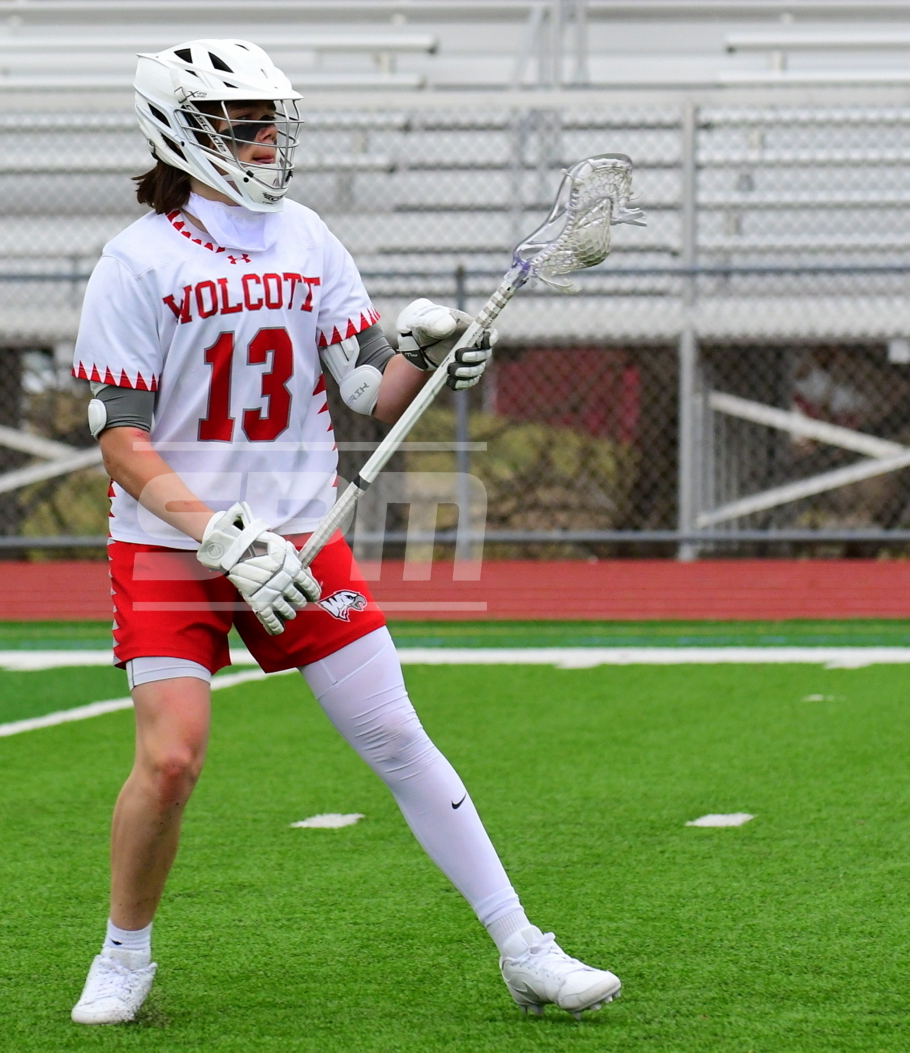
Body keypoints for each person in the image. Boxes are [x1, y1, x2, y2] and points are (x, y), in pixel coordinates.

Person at [69, 38, 621, 1026]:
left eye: (272, 122)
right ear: (181, 132)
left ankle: (524, 947)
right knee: (172, 758)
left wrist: (428, 355)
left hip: (301, 532)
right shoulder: (135, 261)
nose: (268, 141)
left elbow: (371, 389)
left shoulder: (307, 237)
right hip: (172, 546)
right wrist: (217, 535)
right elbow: (121, 440)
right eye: (247, 124)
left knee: (396, 736)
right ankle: (123, 954)